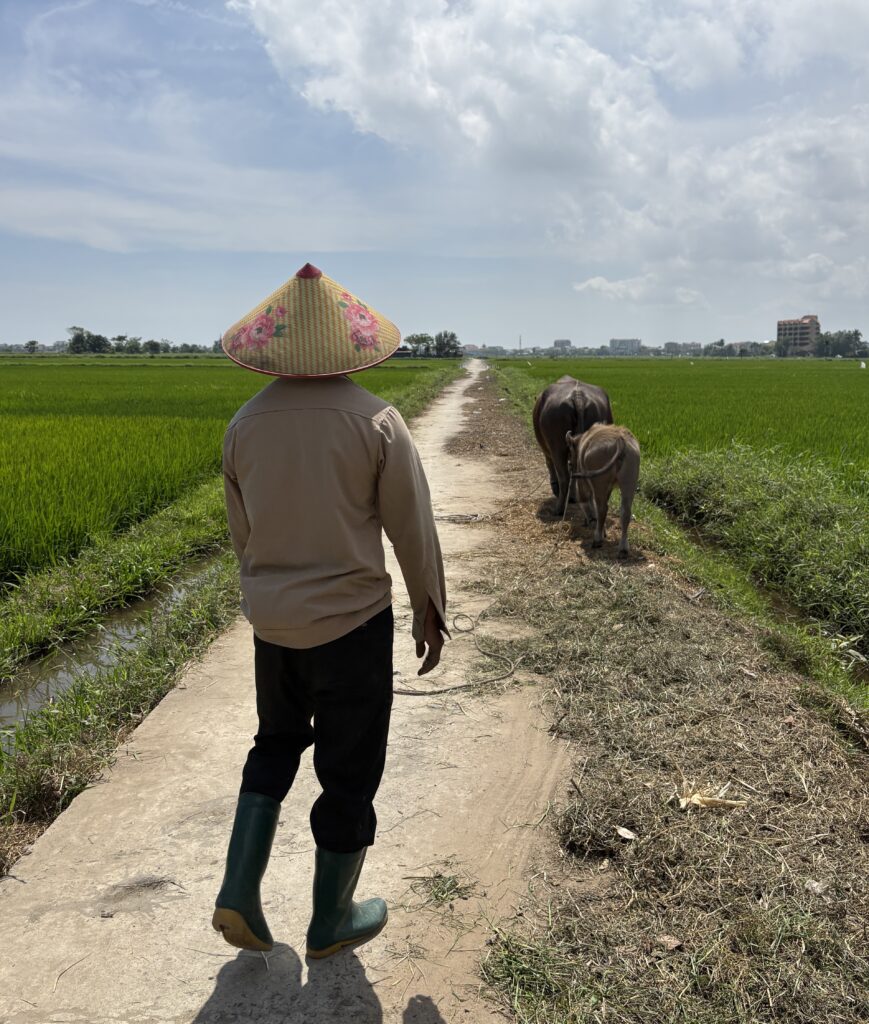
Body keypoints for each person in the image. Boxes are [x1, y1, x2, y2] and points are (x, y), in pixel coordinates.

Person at [211, 263, 447, 959]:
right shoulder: (375, 420)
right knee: (347, 770)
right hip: (352, 624)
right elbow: (413, 526)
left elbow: (242, 535)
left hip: (273, 623)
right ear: (352, 346)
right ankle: (330, 921)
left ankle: (238, 890)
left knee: (275, 743)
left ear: (275, 348)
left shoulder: (243, 424)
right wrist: (428, 609)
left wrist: (267, 598)